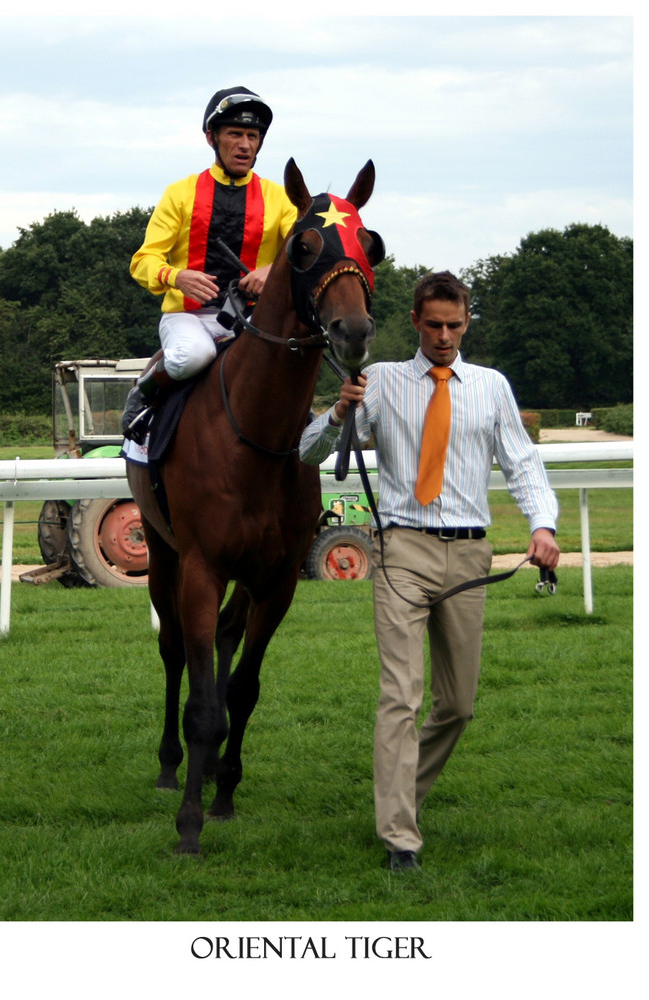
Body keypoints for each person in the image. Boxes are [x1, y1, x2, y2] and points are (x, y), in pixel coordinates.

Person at [299, 270, 560, 873]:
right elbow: (309, 454)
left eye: (455, 325)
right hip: (401, 553)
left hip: (470, 554)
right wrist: (338, 414)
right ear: (415, 321)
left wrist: (542, 526)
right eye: (434, 324)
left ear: (467, 323)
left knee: (458, 705)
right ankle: (399, 838)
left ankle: (401, 797)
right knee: (400, 694)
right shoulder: (382, 382)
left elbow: (522, 464)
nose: (444, 336)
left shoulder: (491, 387)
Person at [123, 86, 298, 441]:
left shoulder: (278, 198)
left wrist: (273, 270)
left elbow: (301, 252)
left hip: (252, 321)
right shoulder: (180, 193)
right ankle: (144, 391)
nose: (245, 145)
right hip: (189, 318)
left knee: (290, 362)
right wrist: (176, 275)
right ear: (211, 137)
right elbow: (143, 261)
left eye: (253, 136)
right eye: (235, 134)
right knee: (192, 356)